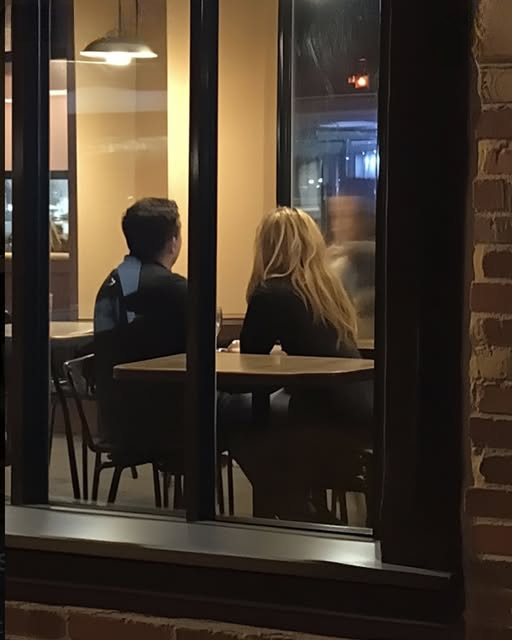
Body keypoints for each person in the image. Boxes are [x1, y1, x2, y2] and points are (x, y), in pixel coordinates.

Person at [227, 207, 373, 522]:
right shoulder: (325, 290)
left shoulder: (271, 292)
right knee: (256, 417)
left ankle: (296, 509)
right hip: (358, 407)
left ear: (267, 247)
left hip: (321, 414)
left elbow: (247, 370)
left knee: (226, 413)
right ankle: (302, 505)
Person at [94, 197, 186, 463]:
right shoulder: (174, 289)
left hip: (114, 422)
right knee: (250, 413)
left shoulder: (111, 282)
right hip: (165, 421)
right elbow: (201, 351)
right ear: (173, 242)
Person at [326, 195, 376, 340]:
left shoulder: (364, 258)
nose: (337, 225)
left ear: (361, 220)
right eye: (334, 217)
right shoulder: (333, 259)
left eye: (346, 216)